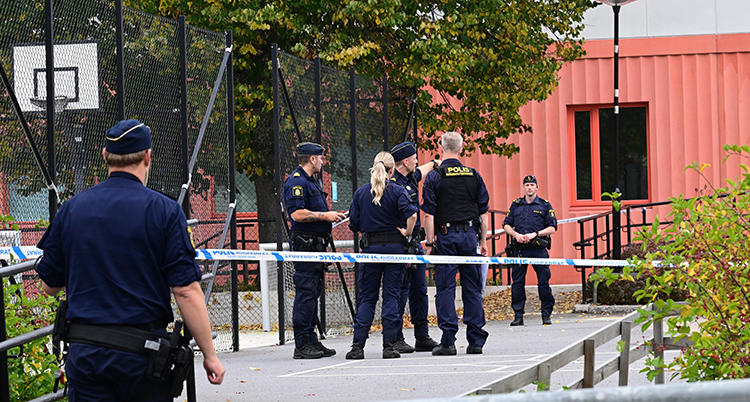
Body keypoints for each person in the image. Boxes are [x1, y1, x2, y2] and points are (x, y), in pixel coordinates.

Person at [36, 119, 225, 401]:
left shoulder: (72, 209)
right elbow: (185, 290)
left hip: (86, 354)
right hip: (142, 358)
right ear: (148, 156)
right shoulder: (165, 211)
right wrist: (209, 355)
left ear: (105, 156)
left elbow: (49, 285)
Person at [422, 131, 490, 356]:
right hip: (470, 236)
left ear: (441, 147)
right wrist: (482, 241)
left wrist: (430, 243)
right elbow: (483, 214)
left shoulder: (435, 176)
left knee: (445, 288)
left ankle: (448, 341)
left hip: (447, 236)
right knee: (472, 288)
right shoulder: (474, 175)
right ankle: (475, 340)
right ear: (461, 148)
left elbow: (429, 215)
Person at [346, 152, 418, 360]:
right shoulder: (397, 191)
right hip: (395, 250)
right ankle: (389, 346)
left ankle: (357, 347)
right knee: (391, 297)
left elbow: (354, 224)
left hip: (370, 251)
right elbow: (412, 215)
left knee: (367, 298)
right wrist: (408, 233)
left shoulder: (361, 193)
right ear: (392, 170)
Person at [283, 142, 346, 359]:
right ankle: (301, 344)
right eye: (320, 158)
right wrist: (325, 216)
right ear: (312, 159)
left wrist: (332, 216)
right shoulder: (297, 182)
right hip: (305, 246)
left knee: (313, 293)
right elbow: (297, 215)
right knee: (306, 293)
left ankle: (311, 339)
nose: (322, 161)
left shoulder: (311, 181)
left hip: (316, 245)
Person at [389, 141, 440, 353]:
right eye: (414, 158)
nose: (417, 162)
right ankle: (396, 336)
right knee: (400, 291)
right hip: (400, 244)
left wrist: (437, 163)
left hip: (414, 245)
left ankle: (422, 335)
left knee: (419, 291)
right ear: (405, 161)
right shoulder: (391, 184)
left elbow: (421, 170)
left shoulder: (409, 177)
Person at [503, 175, 558, 326]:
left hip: (538, 249)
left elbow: (553, 227)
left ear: (536, 187)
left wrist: (536, 234)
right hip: (520, 249)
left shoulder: (544, 205)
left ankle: (546, 315)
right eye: (527, 185)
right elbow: (506, 225)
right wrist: (516, 235)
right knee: (517, 284)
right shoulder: (516, 205)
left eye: (532, 185)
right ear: (523, 188)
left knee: (543, 282)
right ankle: (518, 316)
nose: (529, 187)